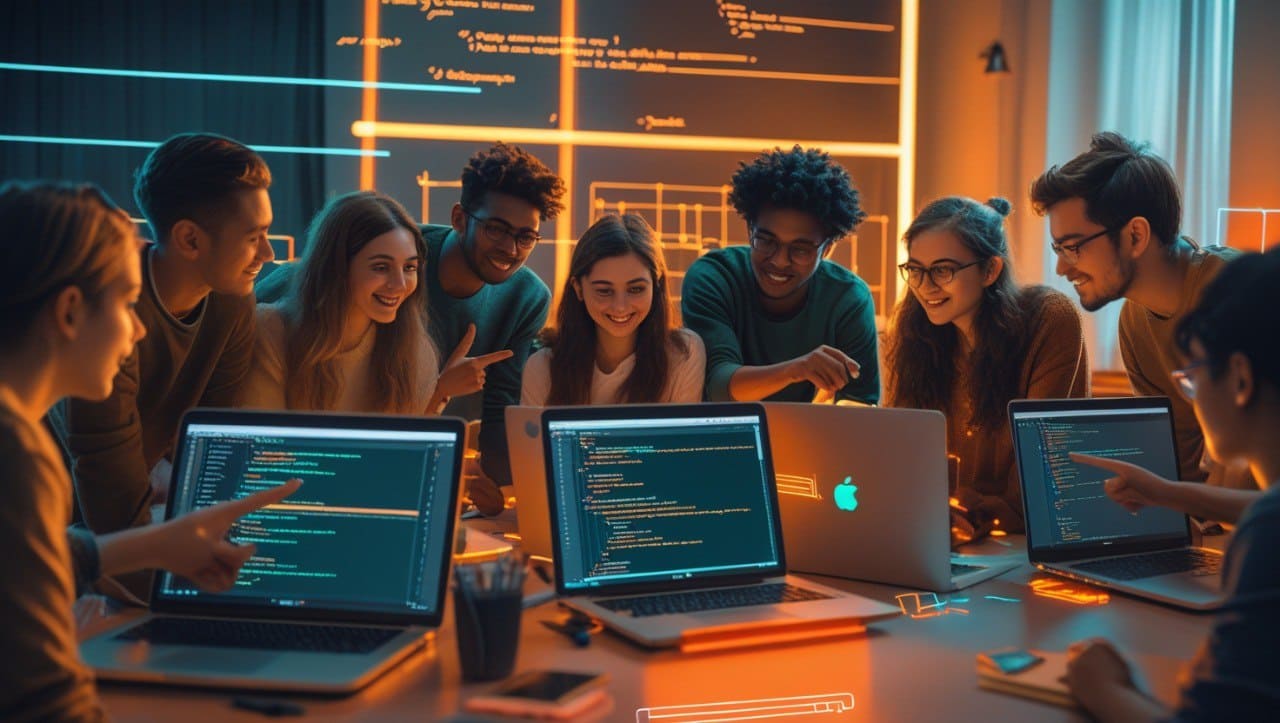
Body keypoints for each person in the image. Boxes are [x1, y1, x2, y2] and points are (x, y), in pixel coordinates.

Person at [0, 181, 299, 722]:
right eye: (124, 303)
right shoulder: (17, 453)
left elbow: (20, 563)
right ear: (69, 312)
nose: (138, 330)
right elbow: (49, 706)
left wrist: (151, 546)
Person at [257, 143, 565, 506]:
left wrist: (506, 489)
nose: (511, 249)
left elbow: (497, 410)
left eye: (525, 237)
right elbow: (298, 289)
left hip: (387, 467)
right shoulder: (395, 244)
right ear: (460, 219)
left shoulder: (524, 298)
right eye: (496, 230)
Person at [1064, 248, 1280, 721]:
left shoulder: (1267, 538)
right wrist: (1166, 491)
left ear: (1240, 379)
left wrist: (1101, 687)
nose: (1190, 395)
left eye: (1191, 378)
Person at [49, 132, 275, 544]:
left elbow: (211, 443)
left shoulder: (233, 300)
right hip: (55, 525)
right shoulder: (109, 316)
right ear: (190, 239)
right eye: (253, 238)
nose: (268, 254)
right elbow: (113, 515)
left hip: (121, 525)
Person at [1031, 131, 1241, 484]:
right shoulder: (1134, 320)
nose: (1062, 269)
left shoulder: (1239, 294)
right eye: (1058, 249)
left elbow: (1250, 472)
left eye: (1073, 247)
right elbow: (1179, 467)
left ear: (1136, 236)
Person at [885, 196, 1088, 535]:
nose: (924, 287)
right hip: (944, 532)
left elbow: (1040, 478)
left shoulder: (1049, 319)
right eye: (916, 270)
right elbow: (899, 456)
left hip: (1026, 538)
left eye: (942, 270)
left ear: (990, 270)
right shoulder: (915, 332)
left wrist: (979, 513)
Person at [681, 145, 879, 404]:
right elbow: (719, 387)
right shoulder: (714, 278)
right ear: (750, 229)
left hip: (812, 441)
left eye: (800, 250)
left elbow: (861, 405)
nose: (779, 260)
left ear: (827, 249)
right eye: (766, 241)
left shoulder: (848, 299)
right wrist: (795, 370)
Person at [240, 191, 440, 413]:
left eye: (409, 268)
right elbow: (264, 442)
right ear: (337, 267)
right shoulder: (271, 332)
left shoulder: (417, 353)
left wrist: (440, 393)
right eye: (381, 267)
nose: (401, 284)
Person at [521, 213, 704, 405]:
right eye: (604, 291)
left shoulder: (685, 353)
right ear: (578, 289)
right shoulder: (543, 367)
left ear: (656, 285)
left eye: (636, 289)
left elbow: (681, 435)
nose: (620, 306)